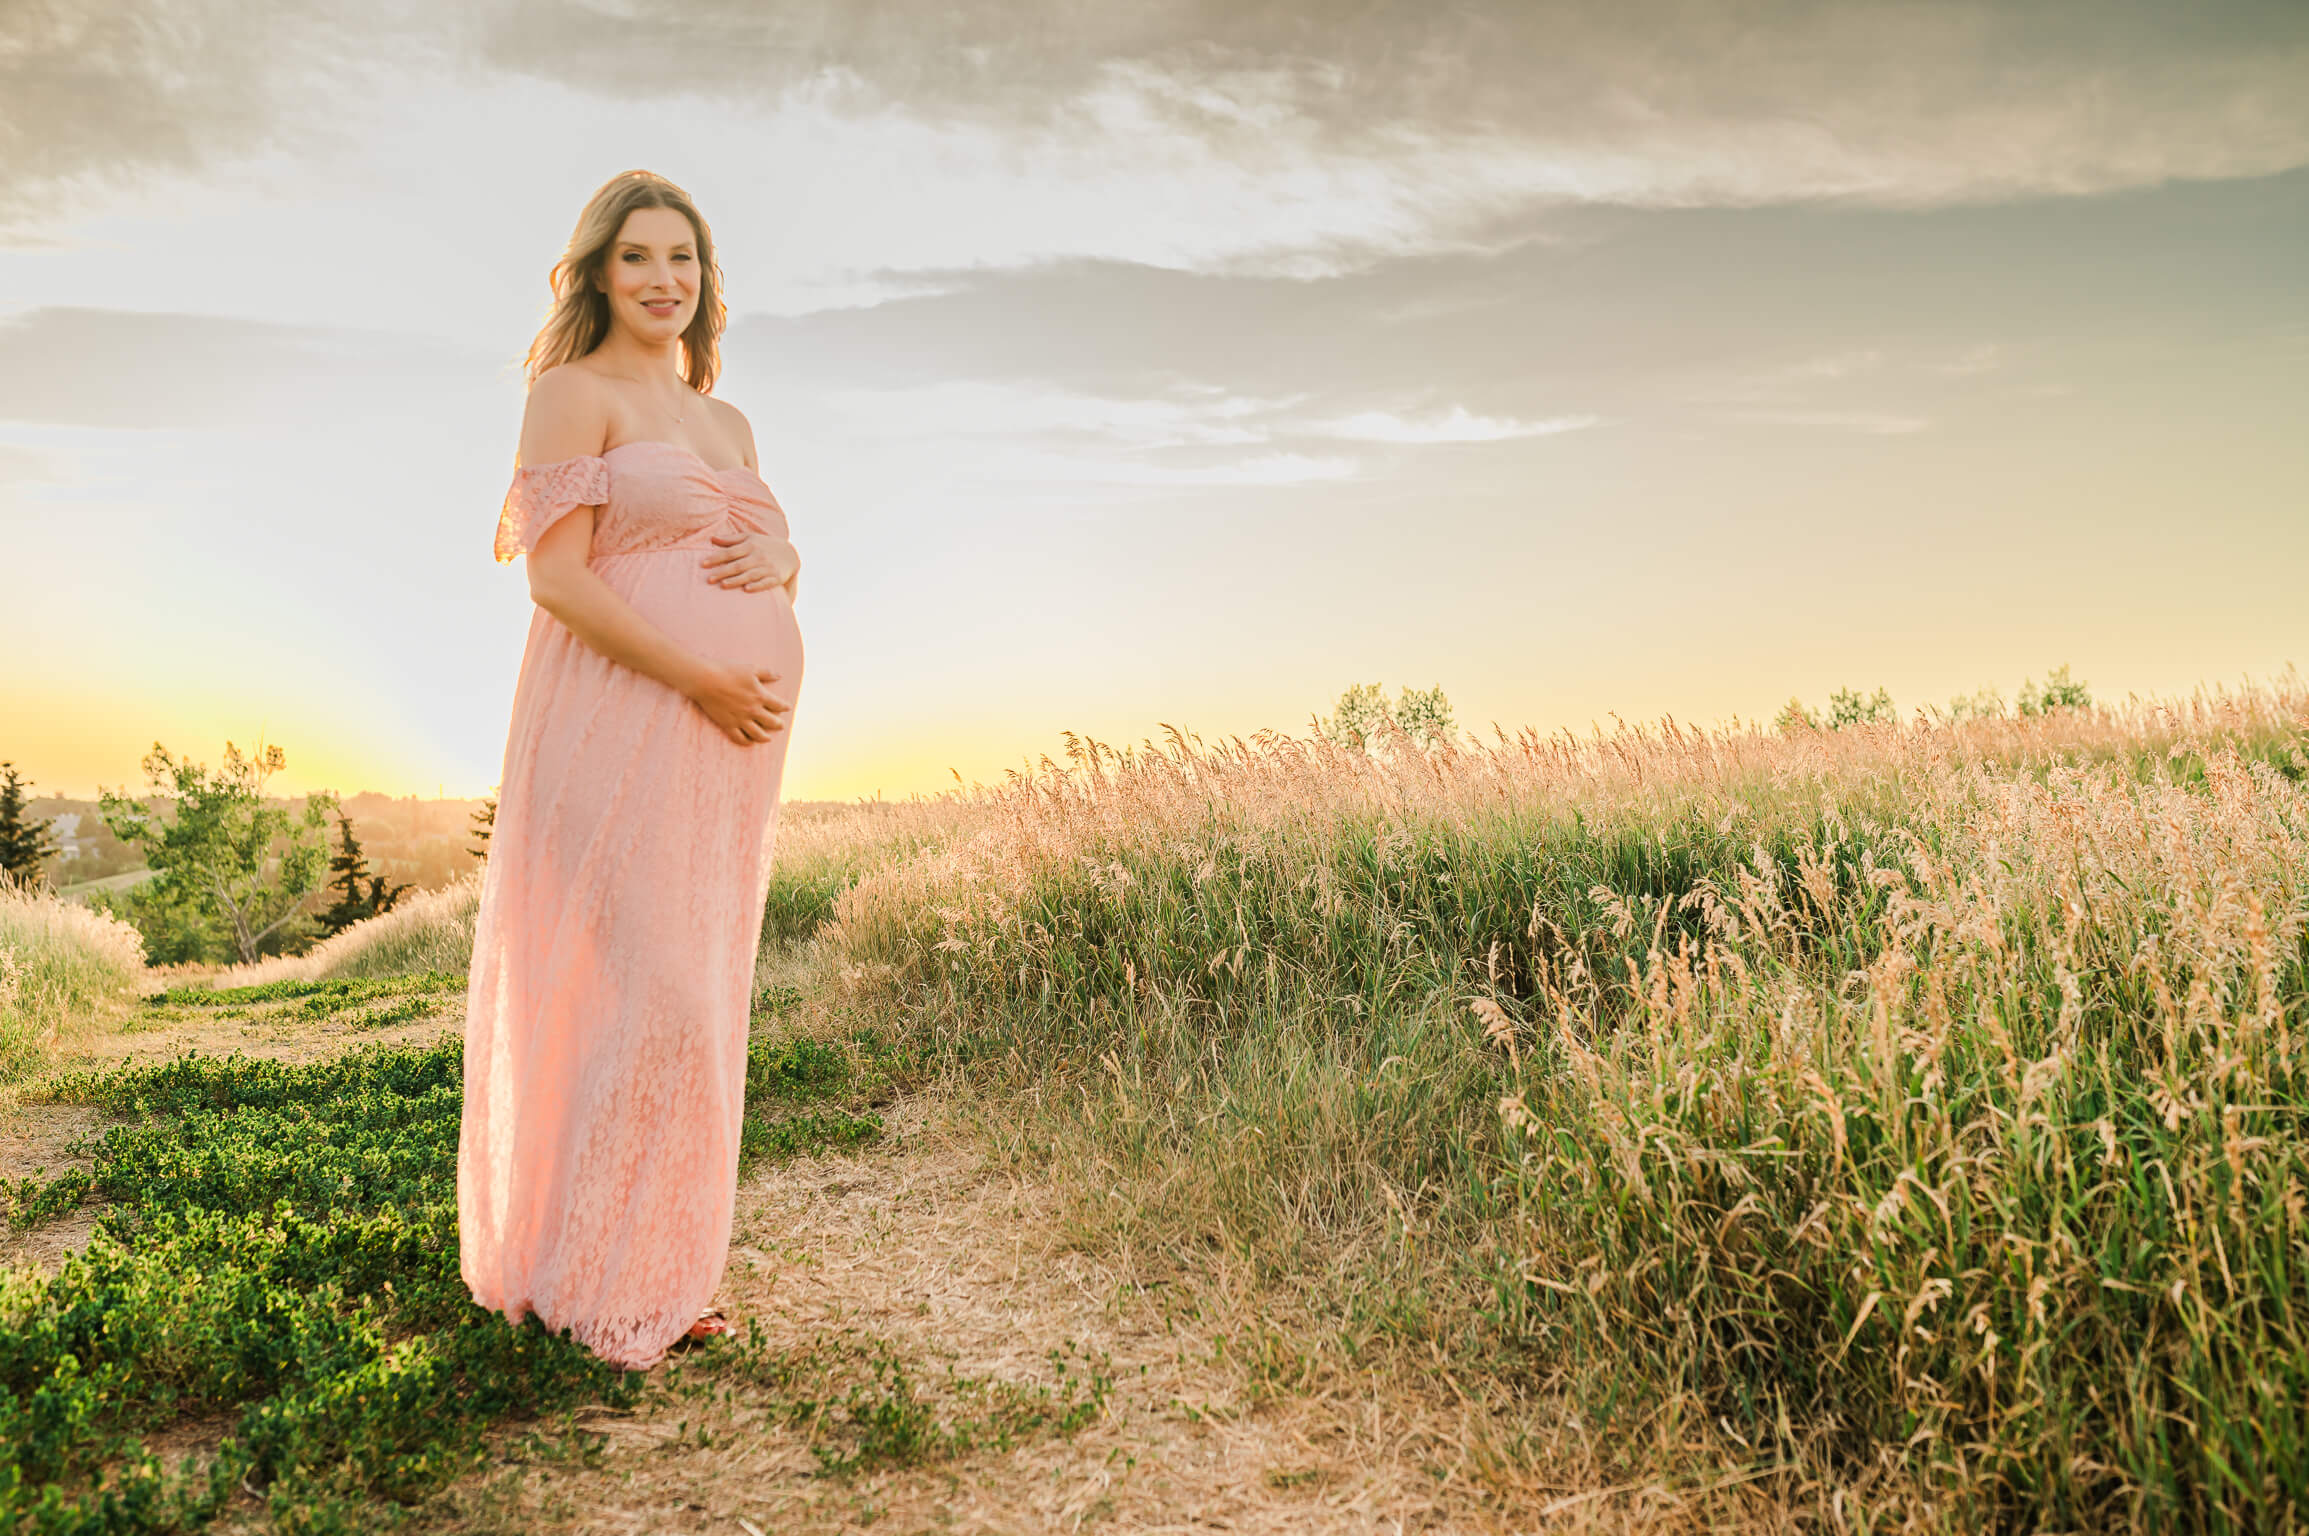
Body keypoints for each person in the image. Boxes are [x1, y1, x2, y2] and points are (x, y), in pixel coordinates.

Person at [458, 169, 805, 1370]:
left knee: (699, 998)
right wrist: (698, 676)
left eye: (685, 261)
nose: (665, 281)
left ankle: (668, 1276)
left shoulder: (728, 422)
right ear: (598, 272)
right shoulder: (573, 393)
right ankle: (584, 1279)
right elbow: (555, 578)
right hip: (620, 720)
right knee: (641, 990)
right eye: (640, 258)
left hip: (726, 751)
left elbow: (748, 565)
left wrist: (786, 553)